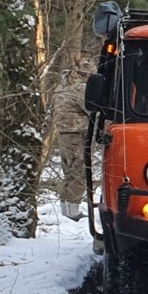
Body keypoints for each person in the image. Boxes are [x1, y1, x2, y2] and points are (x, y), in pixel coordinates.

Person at [53, 59, 93, 221]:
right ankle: (72, 212)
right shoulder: (79, 88)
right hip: (77, 134)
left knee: (69, 172)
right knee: (80, 173)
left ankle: (66, 210)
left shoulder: (61, 86)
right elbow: (92, 109)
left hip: (64, 135)